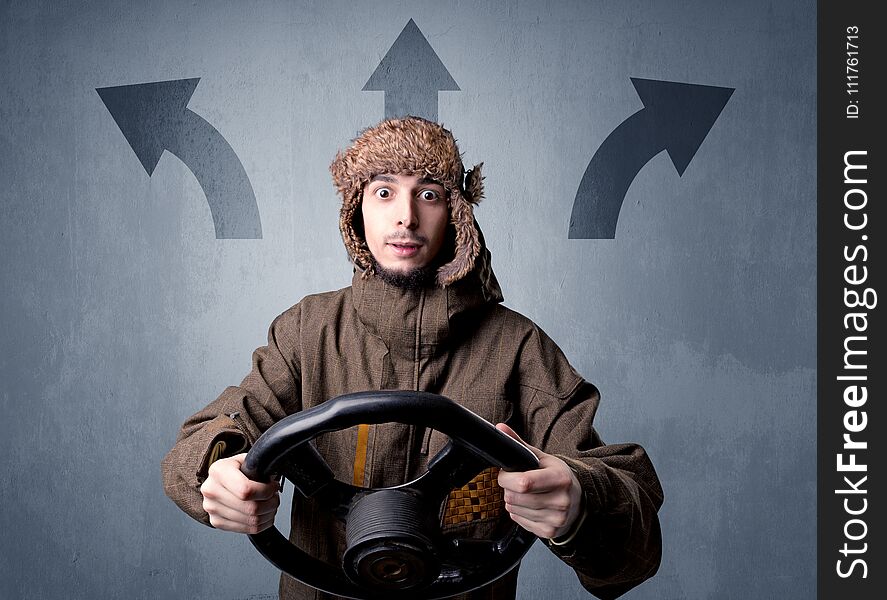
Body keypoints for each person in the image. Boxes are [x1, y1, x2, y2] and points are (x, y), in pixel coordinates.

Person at [161, 116, 663, 600]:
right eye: (383, 192)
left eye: (428, 194)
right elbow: (204, 439)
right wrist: (217, 472)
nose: (405, 216)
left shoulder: (519, 348)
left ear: (457, 213)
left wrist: (579, 502)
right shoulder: (306, 331)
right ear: (357, 210)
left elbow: (635, 541)